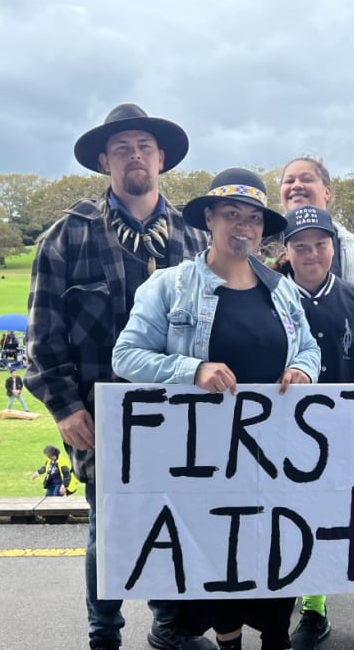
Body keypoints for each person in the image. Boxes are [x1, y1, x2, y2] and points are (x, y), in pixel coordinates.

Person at [25, 103, 211, 650]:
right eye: (124, 147)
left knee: (175, 519)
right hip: (101, 413)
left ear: (161, 159)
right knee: (108, 528)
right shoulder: (66, 237)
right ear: (106, 160)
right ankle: (103, 633)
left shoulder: (194, 240)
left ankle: (169, 624)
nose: (136, 157)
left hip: (181, 417)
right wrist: (63, 407)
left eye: (145, 147)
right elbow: (43, 336)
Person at [113, 167, 320, 650]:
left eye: (252, 218)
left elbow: (309, 348)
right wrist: (191, 369)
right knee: (218, 561)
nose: (243, 227)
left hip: (274, 462)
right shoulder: (171, 286)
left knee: (272, 557)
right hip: (202, 465)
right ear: (210, 218)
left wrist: (305, 371)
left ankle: (276, 640)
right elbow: (126, 357)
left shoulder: (282, 290)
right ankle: (228, 644)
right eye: (232, 215)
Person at [275, 205, 354, 650]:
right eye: (301, 245)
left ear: (334, 247)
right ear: (286, 250)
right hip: (291, 443)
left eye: (321, 244)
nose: (312, 254)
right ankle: (314, 606)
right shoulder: (270, 300)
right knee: (306, 521)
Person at [279, 157, 354, 302]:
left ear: (327, 192)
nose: (296, 186)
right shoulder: (260, 247)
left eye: (306, 179)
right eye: (289, 181)